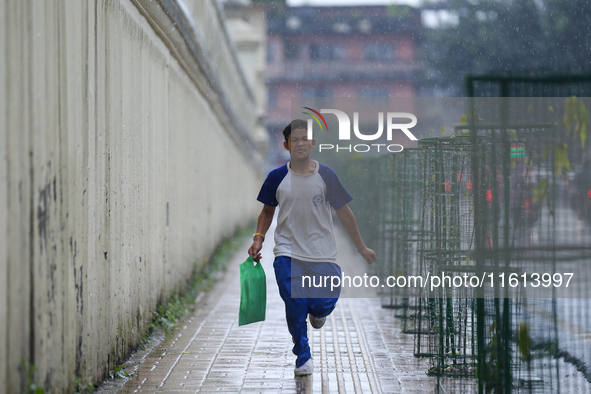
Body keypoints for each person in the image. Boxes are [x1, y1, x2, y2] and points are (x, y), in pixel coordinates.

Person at [247, 119, 377, 376]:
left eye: (305, 139)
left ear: (313, 143)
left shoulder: (326, 175)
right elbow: (266, 211)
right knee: (294, 301)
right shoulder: (276, 177)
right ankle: (303, 355)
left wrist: (361, 247)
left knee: (318, 305)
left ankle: (318, 313)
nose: (300, 143)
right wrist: (259, 238)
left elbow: (344, 213)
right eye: (295, 140)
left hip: (321, 253)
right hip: (287, 251)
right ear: (286, 145)